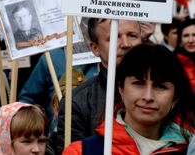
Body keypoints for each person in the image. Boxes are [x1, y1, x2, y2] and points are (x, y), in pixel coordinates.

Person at [63, 43, 195, 154]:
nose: (148, 97)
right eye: (138, 84)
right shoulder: (82, 152)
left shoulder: (189, 149)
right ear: (121, 89)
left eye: (160, 87)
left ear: (175, 97)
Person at [55, 19, 143, 154]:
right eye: (114, 37)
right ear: (95, 48)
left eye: (132, 35)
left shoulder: (163, 92)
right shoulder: (76, 102)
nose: (126, 44)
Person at [175, 18, 195, 94]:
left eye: (194, 35)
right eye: (186, 36)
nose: (190, 40)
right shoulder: (172, 63)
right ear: (180, 41)